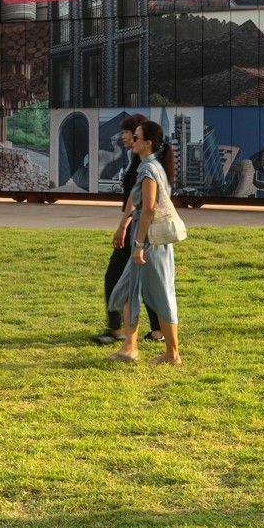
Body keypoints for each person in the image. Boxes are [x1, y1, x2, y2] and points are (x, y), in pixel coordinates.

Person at [105, 119, 179, 365]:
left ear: (147, 143)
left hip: (149, 244)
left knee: (161, 296)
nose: (130, 141)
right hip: (144, 240)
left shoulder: (149, 170)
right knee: (125, 292)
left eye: (135, 137)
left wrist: (137, 246)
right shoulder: (149, 166)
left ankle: (172, 354)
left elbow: (147, 210)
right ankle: (130, 347)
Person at [91, 116, 165, 346]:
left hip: (136, 228)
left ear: (142, 138)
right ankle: (156, 331)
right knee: (147, 281)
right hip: (137, 227)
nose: (123, 137)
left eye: (128, 134)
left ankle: (117, 330)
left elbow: (140, 202)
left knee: (115, 277)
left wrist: (123, 226)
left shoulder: (143, 164)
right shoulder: (139, 160)